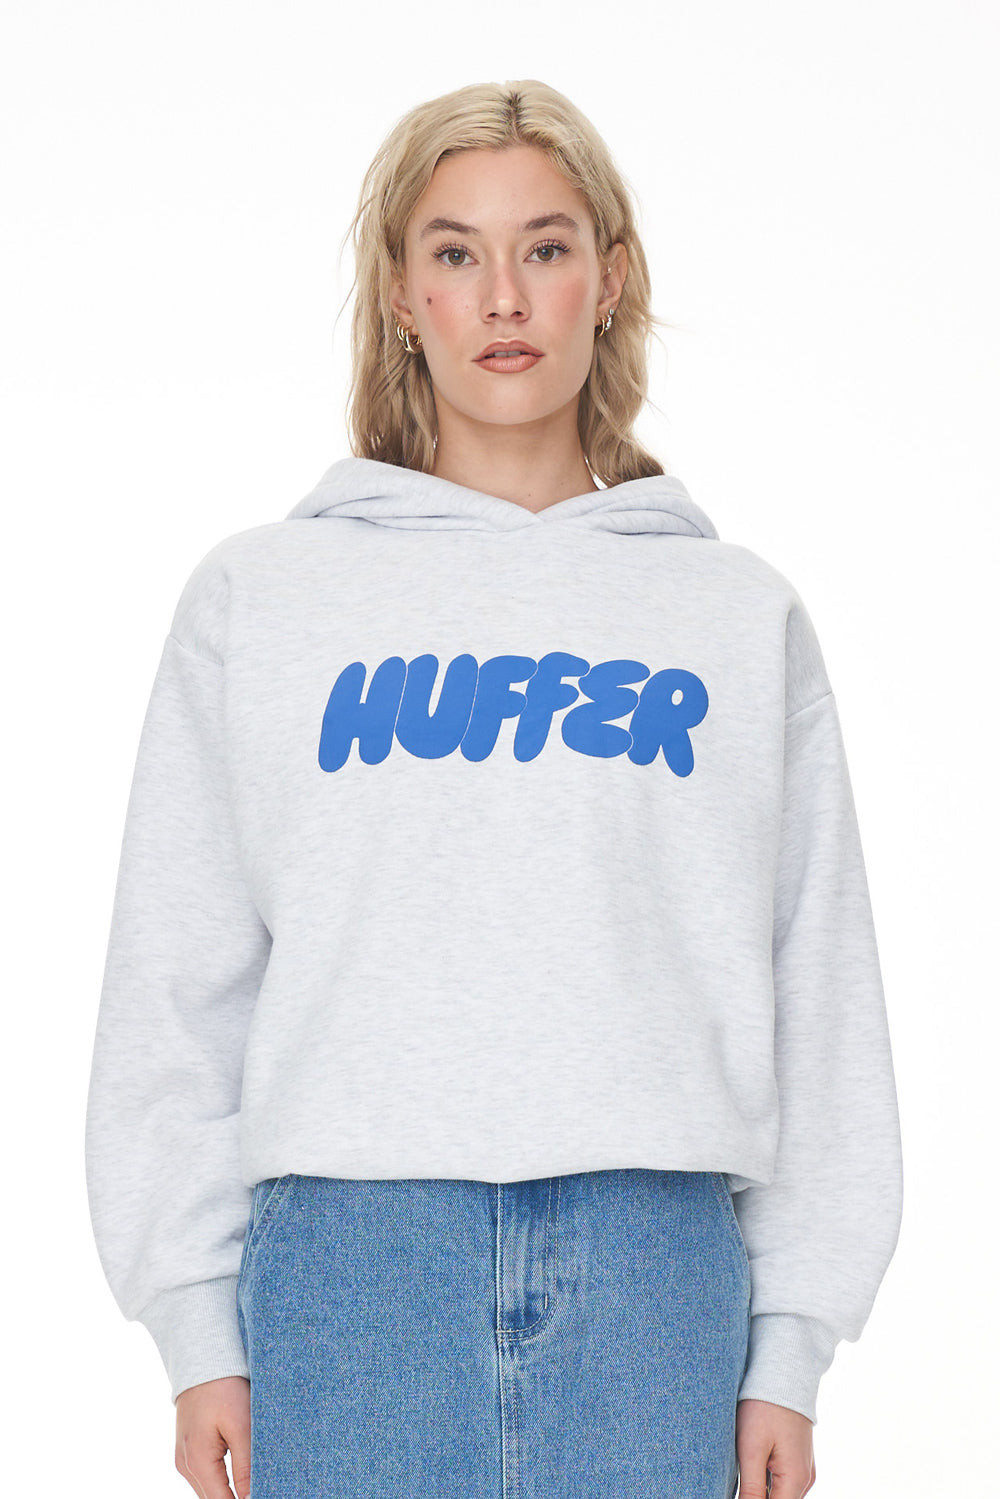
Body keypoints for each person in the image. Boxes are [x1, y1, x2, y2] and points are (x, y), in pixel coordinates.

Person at [84, 78, 903, 1499]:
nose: (505, 297)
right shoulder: (266, 600)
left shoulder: (730, 615)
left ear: (611, 278)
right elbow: (180, 978)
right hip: (352, 1268)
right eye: (456, 252)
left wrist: (791, 1345)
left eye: (547, 246)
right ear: (402, 294)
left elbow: (815, 984)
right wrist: (195, 1323)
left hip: (653, 1272)